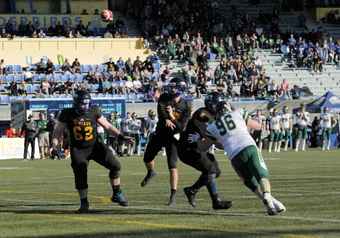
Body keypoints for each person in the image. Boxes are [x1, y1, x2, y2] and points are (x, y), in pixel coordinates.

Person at [49, 90, 135, 213]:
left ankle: (116, 193)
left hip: (95, 146)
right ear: (76, 103)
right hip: (78, 149)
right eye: (83, 104)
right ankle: (84, 203)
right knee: (80, 174)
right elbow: (58, 131)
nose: (85, 106)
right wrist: (53, 145)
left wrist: (122, 136)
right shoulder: (67, 113)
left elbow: (108, 126)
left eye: (87, 103)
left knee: (115, 166)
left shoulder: (94, 110)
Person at [198, 101, 285, 216]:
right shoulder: (239, 112)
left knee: (251, 183)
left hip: (234, 155)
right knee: (262, 175)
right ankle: (267, 195)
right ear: (227, 107)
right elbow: (257, 126)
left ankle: (273, 202)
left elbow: (203, 147)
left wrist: (198, 138)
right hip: (249, 146)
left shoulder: (213, 127)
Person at [141, 77, 192, 206]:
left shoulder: (186, 105)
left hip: (173, 137)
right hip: (160, 133)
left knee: (172, 166)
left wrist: (172, 117)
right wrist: (166, 119)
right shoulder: (164, 97)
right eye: (172, 86)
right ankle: (151, 172)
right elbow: (161, 113)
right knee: (147, 158)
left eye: (175, 87)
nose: (172, 89)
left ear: (181, 89)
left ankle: (173, 195)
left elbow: (181, 127)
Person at [178, 92, 234, 210]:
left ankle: (192, 190)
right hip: (187, 147)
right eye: (216, 104)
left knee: (216, 172)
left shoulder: (216, 116)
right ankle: (216, 201)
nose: (219, 106)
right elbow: (207, 134)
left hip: (199, 147)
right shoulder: (202, 114)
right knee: (210, 170)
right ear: (209, 104)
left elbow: (218, 144)